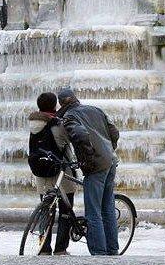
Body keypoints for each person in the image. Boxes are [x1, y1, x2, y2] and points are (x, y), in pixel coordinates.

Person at [57, 88, 119, 256]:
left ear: (61, 103)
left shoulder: (69, 117)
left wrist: (89, 156)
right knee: (107, 208)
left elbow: (80, 134)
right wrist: (108, 150)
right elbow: (114, 132)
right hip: (110, 161)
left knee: (93, 212)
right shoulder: (95, 109)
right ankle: (112, 250)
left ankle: (99, 252)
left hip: (96, 166)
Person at [28, 92, 76, 255]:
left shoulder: (34, 124)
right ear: (55, 105)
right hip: (60, 173)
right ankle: (61, 248)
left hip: (41, 173)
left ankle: (44, 248)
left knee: (45, 210)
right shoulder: (57, 124)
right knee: (65, 211)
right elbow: (67, 143)